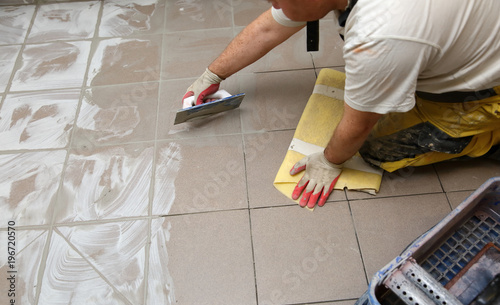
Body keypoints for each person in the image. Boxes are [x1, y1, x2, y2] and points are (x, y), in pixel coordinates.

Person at [183, 0, 500, 208]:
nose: (273, 4)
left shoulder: (379, 38)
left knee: (377, 149)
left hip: (486, 91)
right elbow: (270, 26)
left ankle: (490, 137)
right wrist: (212, 74)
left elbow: (360, 124)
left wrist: (330, 161)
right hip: (469, 36)